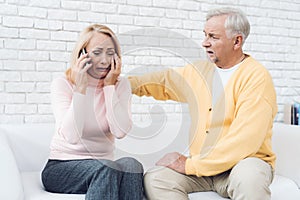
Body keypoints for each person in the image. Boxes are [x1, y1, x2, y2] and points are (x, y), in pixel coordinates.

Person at [129, 7, 277, 200]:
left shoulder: (256, 77)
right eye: (205, 35)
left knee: (249, 179)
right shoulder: (200, 71)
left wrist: (190, 165)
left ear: (237, 41)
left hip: (242, 163)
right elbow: (163, 81)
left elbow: (244, 141)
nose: (205, 42)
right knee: (156, 178)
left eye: (213, 37)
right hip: (205, 168)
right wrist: (124, 84)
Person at [41, 24, 144, 200]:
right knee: (106, 168)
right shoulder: (63, 84)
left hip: (104, 168)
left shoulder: (121, 85)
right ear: (82, 54)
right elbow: (72, 136)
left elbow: (120, 132)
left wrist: (109, 86)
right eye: (97, 53)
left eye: (110, 53)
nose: (104, 61)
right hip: (62, 167)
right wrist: (81, 88)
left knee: (132, 165)